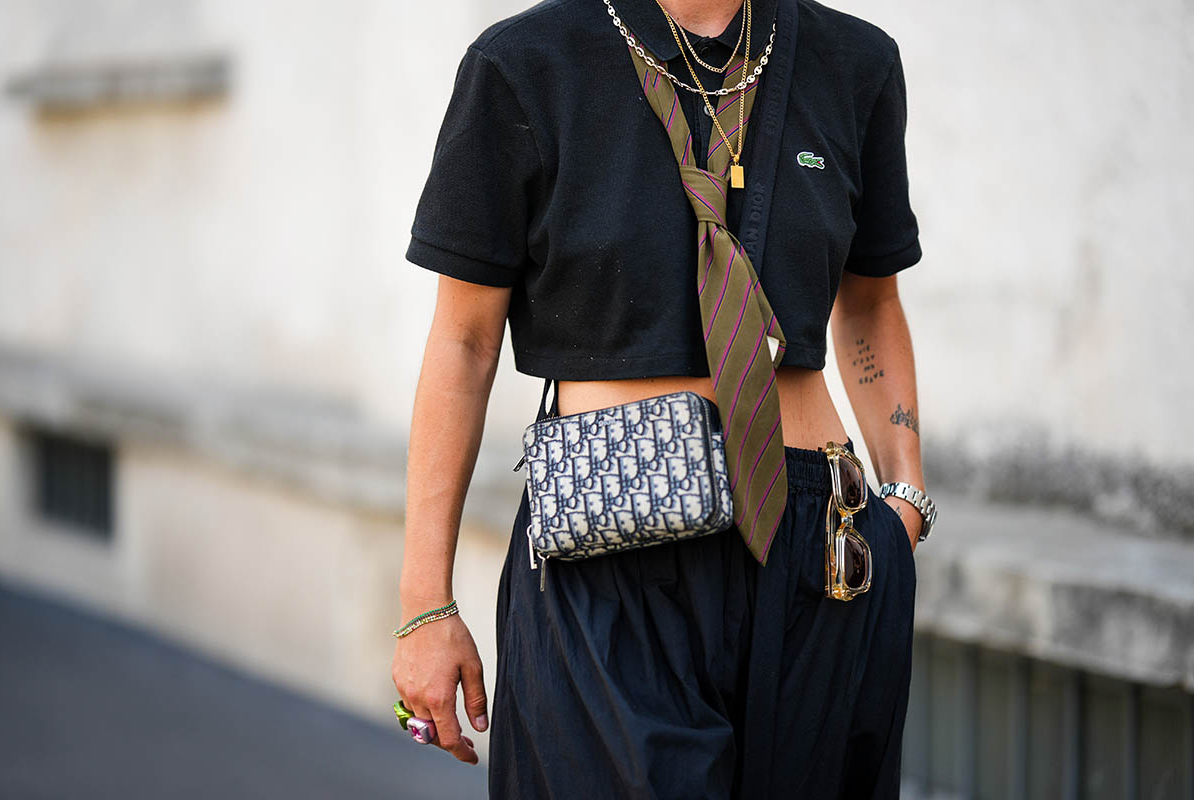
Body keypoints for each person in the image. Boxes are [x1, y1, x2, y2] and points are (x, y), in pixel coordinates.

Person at [392, 0, 934, 795]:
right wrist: (423, 604)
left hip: (822, 546)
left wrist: (903, 498)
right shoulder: (524, 63)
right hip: (612, 534)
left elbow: (871, 301)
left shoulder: (854, 62)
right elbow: (465, 341)